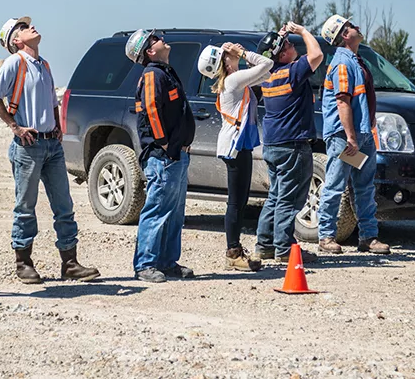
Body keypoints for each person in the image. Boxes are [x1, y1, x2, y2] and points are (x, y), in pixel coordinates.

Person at [0, 17, 101, 283]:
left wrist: (57, 126)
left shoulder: (44, 65)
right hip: (28, 145)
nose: (32, 27)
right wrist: (15, 127)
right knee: (26, 206)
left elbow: (51, 101)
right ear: (16, 41)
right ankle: (23, 263)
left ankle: (70, 263)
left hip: (51, 144)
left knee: (64, 205)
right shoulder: (15, 63)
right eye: (24, 27)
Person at [125, 29, 196, 283]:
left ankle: (166, 262)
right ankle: (145, 264)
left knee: (174, 212)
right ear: (149, 51)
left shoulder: (164, 72)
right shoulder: (153, 74)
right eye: (155, 38)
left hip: (176, 155)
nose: (161, 38)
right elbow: (151, 110)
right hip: (163, 156)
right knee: (157, 210)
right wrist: (165, 144)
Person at [197, 41, 273, 271]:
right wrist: (244, 53)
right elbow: (266, 64)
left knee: (239, 201)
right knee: (236, 202)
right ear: (225, 64)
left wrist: (245, 55)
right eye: (227, 52)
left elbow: (266, 73)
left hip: (238, 145)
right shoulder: (233, 81)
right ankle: (233, 251)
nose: (232, 50)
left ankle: (235, 249)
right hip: (235, 147)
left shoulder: (235, 80)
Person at [318, 14, 391, 255]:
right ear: (343, 36)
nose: (356, 27)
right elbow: (343, 103)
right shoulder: (342, 63)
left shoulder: (357, 60)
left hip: (361, 135)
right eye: (349, 26)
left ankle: (368, 238)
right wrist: (351, 138)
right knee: (336, 185)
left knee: (364, 187)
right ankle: (326, 236)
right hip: (347, 138)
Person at [252, 22, 324, 264]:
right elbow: (317, 55)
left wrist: (279, 38)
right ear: (282, 54)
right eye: (290, 45)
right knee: (289, 199)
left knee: (275, 196)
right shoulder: (292, 72)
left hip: (272, 144)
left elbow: (268, 56)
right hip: (292, 145)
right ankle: (284, 248)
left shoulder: (267, 75)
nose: (295, 46)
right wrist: (303, 31)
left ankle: (264, 244)